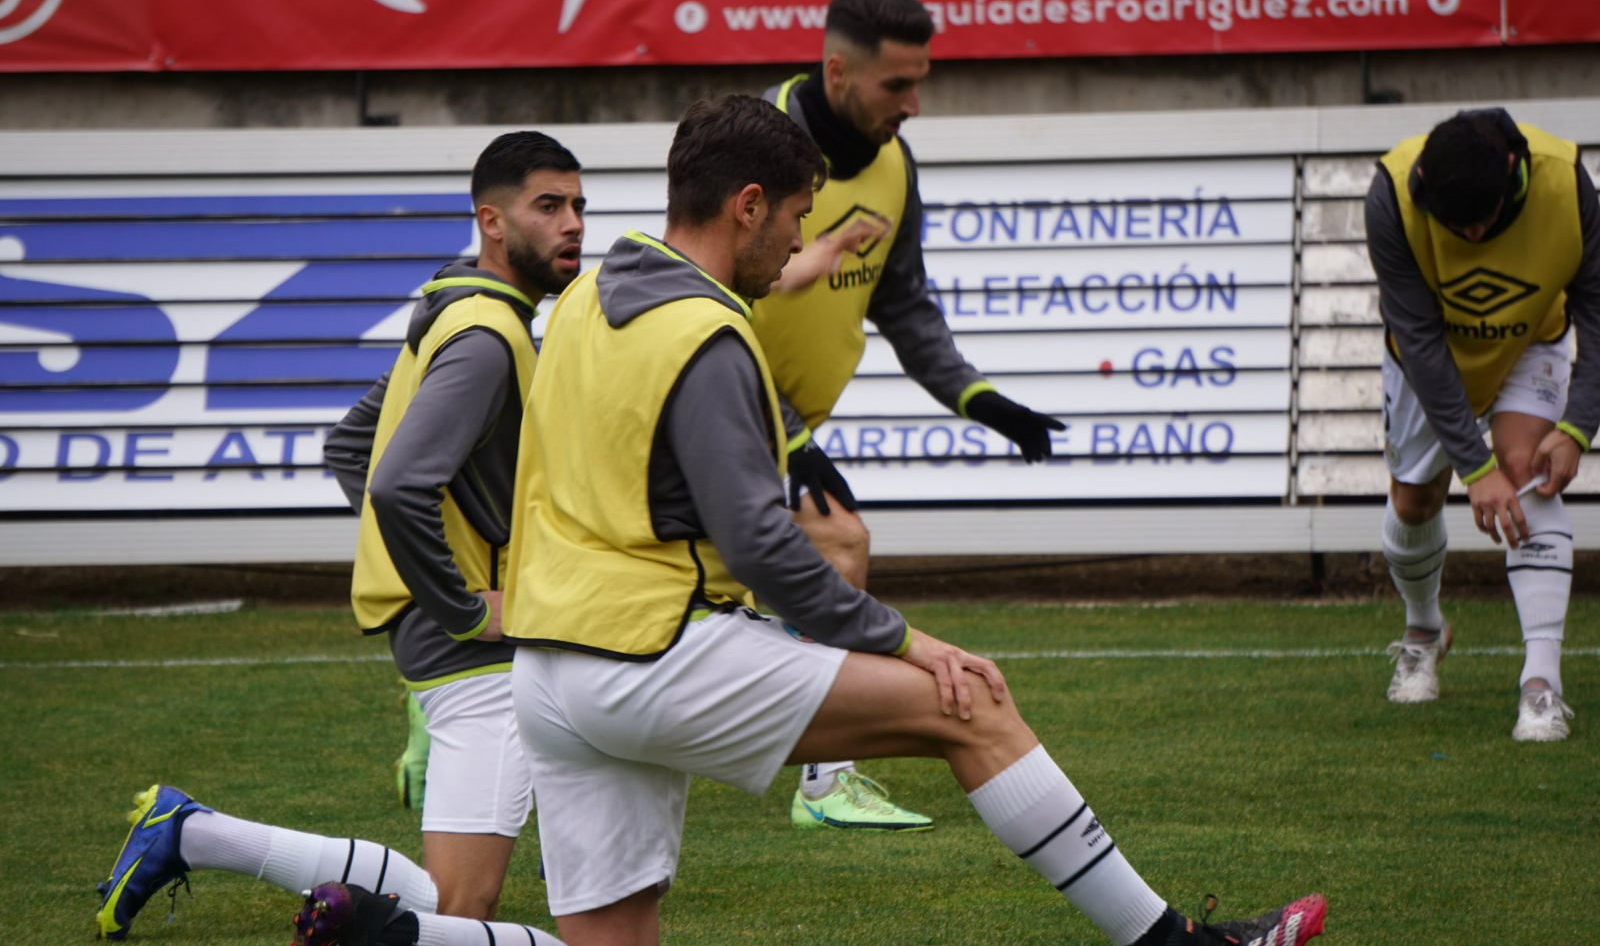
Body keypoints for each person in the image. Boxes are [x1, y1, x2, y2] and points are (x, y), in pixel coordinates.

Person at [499, 94, 1327, 946]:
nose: (796, 244)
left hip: (547, 670)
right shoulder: (708, 331)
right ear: (748, 205)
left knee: (615, 935)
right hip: (651, 653)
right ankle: (1176, 943)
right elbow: (762, 543)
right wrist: (902, 639)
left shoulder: (587, 295)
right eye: (793, 218)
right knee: (967, 701)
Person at [93, 131, 583, 946]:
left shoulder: (458, 309)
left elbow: (353, 447)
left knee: (448, 894)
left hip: (446, 637)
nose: (572, 223)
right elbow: (394, 482)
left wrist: (428, 584)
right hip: (480, 648)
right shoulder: (489, 338)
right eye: (549, 206)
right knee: (458, 914)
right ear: (490, 220)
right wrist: (458, 601)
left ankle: (193, 832)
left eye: (578, 206)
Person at [753, 0, 1066, 830]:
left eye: (920, 81)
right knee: (840, 543)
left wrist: (983, 399)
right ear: (836, 72)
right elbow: (702, 301)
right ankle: (824, 785)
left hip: (785, 429)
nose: (914, 104)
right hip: (712, 408)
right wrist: (784, 438)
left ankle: (468, 701)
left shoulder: (893, 164)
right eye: (898, 85)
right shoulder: (753, 147)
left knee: (719, 592)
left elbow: (904, 301)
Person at [1368, 107, 1599, 741]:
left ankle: (1542, 682)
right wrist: (1474, 468)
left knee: (1529, 471)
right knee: (1415, 503)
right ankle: (1424, 630)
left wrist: (1578, 427)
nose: (1471, 236)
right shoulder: (1390, 193)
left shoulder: (1569, 185)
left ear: (1511, 172)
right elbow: (1415, 335)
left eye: (1484, 221)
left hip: (1531, 339)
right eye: (1455, 224)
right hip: (1430, 351)